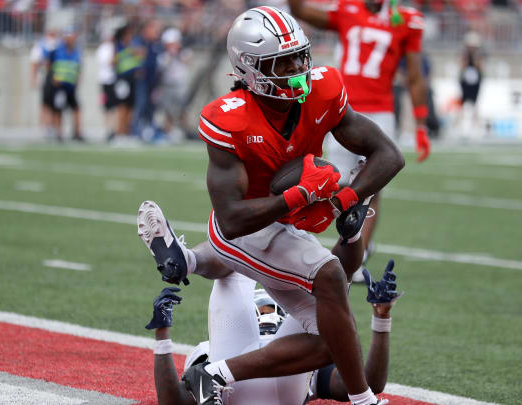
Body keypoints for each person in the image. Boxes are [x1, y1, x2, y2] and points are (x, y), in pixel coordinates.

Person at [137, 7, 404, 405]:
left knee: (334, 335)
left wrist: (347, 199)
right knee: (329, 275)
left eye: (300, 56)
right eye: (284, 61)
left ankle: (214, 369)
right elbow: (230, 220)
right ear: (251, 68)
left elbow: (389, 155)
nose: (298, 67)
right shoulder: (231, 119)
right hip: (239, 232)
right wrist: (299, 195)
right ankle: (365, 402)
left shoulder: (321, 91)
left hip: (284, 225)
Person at [288, 0, 430, 276]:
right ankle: (354, 243)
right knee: (337, 182)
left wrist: (421, 123)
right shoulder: (346, 9)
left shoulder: (406, 20)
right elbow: (301, 11)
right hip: (344, 109)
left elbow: (415, 75)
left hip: (380, 111)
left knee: (372, 186)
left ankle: (357, 255)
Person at [145, 259, 401, 405]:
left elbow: (366, 383)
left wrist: (382, 320)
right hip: (266, 385)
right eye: (262, 309)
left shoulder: (300, 351)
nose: (267, 315)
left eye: (271, 309)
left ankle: (190, 257)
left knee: (330, 324)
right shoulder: (214, 347)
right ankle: (349, 241)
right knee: (329, 315)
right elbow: (175, 401)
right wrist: (162, 335)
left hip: (254, 379)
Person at [46, 28, 83, 142]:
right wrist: (52, 78)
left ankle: (76, 133)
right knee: (58, 109)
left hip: (71, 86)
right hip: (59, 86)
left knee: (76, 108)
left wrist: (77, 79)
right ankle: (59, 133)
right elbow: (49, 64)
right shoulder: (57, 51)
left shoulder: (77, 51)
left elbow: (78, 67)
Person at [157, 28, 190, 140]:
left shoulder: (184, 53)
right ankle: (168, 131)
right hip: (168, 85)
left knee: (183, 109)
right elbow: (163, 66)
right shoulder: (163, 56)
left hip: (180, 85)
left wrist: (177, 54)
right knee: (168, 110)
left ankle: (184, 131)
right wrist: (171, 55)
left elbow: (186, 61)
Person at [113, 24, 143, 140]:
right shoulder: (118, 46)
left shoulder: (133, 46)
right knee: (122, 105)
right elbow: (113, 61)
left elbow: (140, 58)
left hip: (132, 79)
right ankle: (120, 132)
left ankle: (127, 132)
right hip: (122, 79)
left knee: (131, 106)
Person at [30, 29, 60, 139]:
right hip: (45, 77)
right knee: (45, 103)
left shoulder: (58, 44)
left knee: (55, 103)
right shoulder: (41, 45)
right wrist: (34, 78)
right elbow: (34, 63)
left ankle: (52, 127)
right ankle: (43, 126)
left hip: (56, 77)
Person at [457, 31, 483, 140]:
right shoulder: (464, 55)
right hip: (465, 83)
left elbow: (480, 67)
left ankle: (475, 128)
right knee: (462, 105)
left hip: (475, 83)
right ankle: (459, 128)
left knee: (475, 105)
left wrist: (475, 57)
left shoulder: (479, 55)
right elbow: (461, 67)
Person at [96, 29, 118, 140]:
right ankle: (107, 129)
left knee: (113, 106)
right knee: (107, 107)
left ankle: (113, 129)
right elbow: (110, 62)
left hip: (113, 80)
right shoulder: (104, 48)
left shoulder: (112, 47)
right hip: (106, 81)